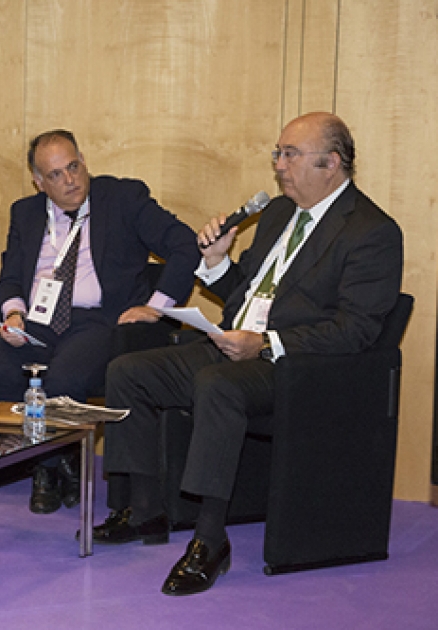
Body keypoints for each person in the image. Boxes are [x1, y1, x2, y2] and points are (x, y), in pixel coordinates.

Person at [96, 112, 403, 596]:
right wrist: (216, 263)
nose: (278, 166)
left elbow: (356, 331)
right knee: (129, 372)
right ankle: (145, 508)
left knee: (218, 386)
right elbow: (245, 296)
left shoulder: (371, 232)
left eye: (290, 154)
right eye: (277, 154)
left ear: (332, 163)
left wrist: (268, 344)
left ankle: (209, 540)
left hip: (298, 368)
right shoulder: (280, 214)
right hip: (237, 345)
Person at [0, 129, 200, 514]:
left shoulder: (123, 198)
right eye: (57, 174)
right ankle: (60, 460)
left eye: (75, 167)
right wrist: (13, 313)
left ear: (84, 161)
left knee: (65, 378)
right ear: (38, 181)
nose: (71, 180)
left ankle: (47, 468)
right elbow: (10, 275)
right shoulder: (25, 213)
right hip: (37, 320)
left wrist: (158, 307)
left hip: (98, 320)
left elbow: (185, 244)